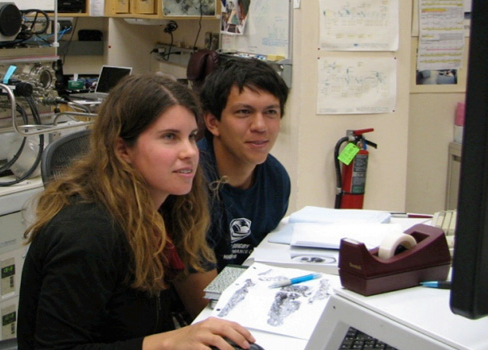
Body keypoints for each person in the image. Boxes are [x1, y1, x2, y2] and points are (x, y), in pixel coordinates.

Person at [17, 74, 256, 350]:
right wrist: (166, 343)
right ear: (123, 149)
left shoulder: (164, 208)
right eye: (169, 137)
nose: (190, 152)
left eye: (191, 137)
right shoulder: (87, 233)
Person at [198, 58, 291, 273]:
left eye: (270, 112)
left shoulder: (276, 179)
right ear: (213, 123)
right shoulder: (190, 183)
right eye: (243, 112)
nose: (260, 126)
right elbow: (201, 299)